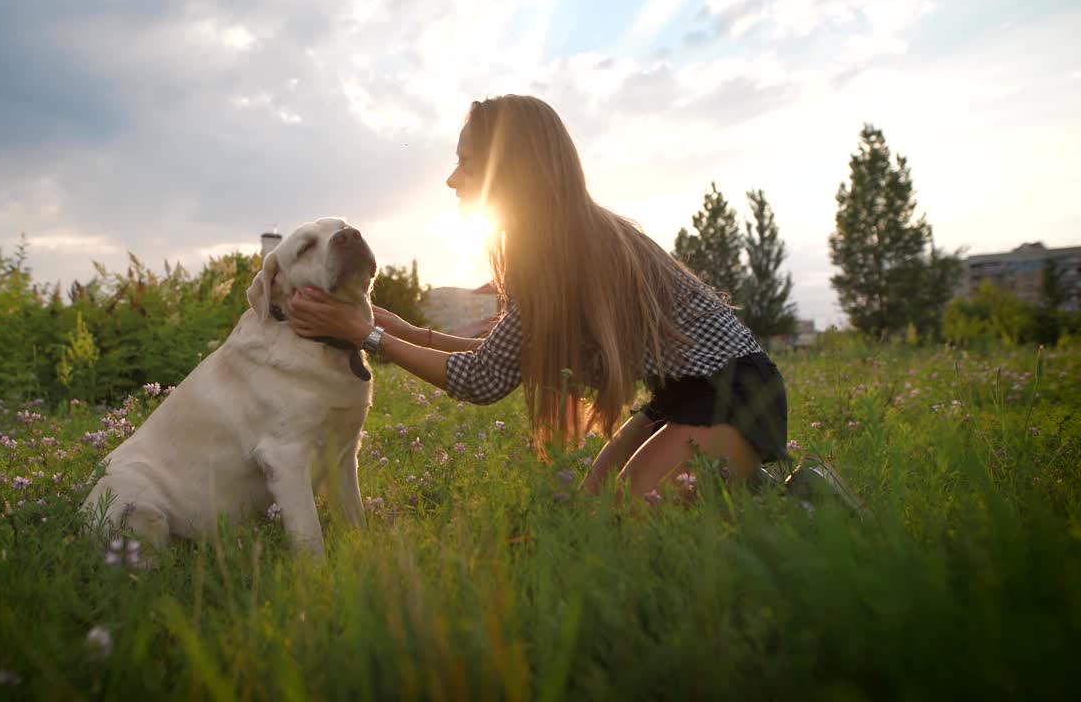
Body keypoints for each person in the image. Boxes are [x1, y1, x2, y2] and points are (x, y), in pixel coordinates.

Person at [287, 94, 788, 503]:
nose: (452, 178)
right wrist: (401, 330)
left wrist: (366, 335)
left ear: (511, 169)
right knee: (594, 503)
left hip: (736, 393)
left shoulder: (563, 249)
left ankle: (791, 495)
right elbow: (506, 358)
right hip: (681, 394)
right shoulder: (552, 239)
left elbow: (481, 381)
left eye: (466, 163)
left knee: (633, 512)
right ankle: (756, 484)